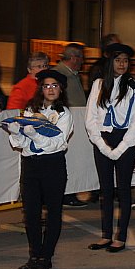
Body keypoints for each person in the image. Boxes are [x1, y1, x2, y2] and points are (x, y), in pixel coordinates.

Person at [4, 69, 74, 269]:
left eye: (54, 86)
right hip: (31, 165)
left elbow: (56, 143)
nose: (50, 89)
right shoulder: (30, 108)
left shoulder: (63, 114)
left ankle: (46, 256)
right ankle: (34, 254)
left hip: (52, 164)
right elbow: (22, 144)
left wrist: (34, 135)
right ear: (41, 89)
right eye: (46, 86)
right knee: (31, 213)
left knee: (53, 213)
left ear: (61, 89)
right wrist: (17, 134)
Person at [85, 44, 135, 253]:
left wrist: (120, 148)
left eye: (125, 61)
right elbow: (90, 118)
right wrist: (101, 143)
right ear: (110, 62)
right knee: (106, 189)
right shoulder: (99, 84)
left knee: (124, 190)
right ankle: (105, 235)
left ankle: (121, 236)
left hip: (124, 139)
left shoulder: (134, 86)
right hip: (103, 138)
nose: (122, 64)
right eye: (118, 60)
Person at [53, 42, 89, 207]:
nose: (83, 61)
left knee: (73, 160)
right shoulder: (58, 74)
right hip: (65, 125)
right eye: (81, 57)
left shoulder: (73, 75)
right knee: (67, 160)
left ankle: (70, 192)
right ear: (74, 58)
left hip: (76, 124)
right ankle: (65, 194)